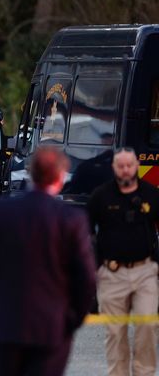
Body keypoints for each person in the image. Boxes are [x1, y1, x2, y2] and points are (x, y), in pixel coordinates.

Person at [0, 146, 97, 376]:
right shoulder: (71, 219)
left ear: (30, 173)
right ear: (61, 177)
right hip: (51, 328)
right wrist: (72, 320)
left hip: (4, 324)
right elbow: (86, 277)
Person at [87, 147, 159, 376]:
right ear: (114, 168)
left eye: (130, 165)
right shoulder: (100, 196)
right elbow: (86, 234)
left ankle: (144, 373)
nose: (126, 170)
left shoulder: (152, 195)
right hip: (112, 273)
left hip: (145, 271)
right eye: (121, 166)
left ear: (137, 166)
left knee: (147, 326)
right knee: (116, 333)